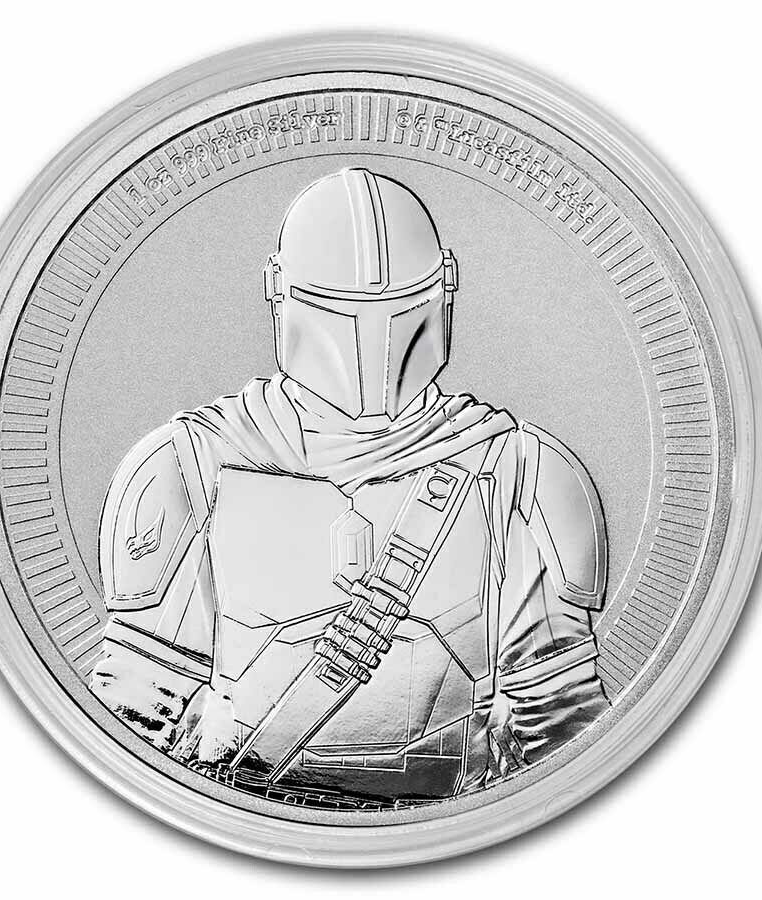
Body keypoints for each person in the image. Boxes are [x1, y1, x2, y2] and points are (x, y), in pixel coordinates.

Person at [89, 167, 609, 807]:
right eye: (345, 312)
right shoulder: (188, 463)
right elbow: (135, 721)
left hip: (452, 834)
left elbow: (564, 730)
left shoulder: (520, 469)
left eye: (392, 311)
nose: (369, 340)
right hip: (242, 829)